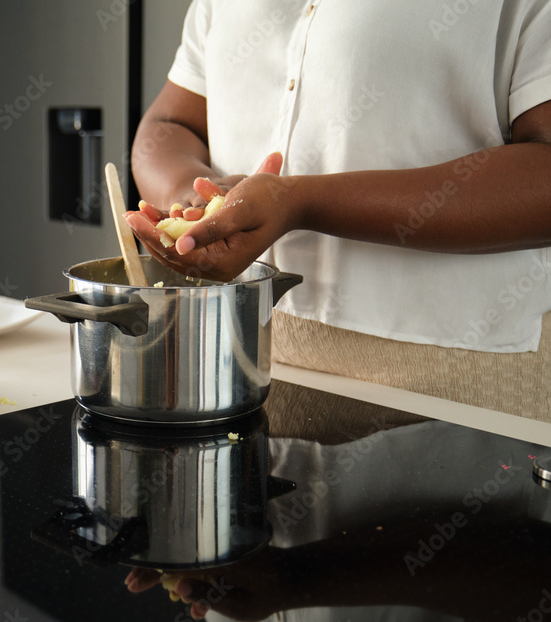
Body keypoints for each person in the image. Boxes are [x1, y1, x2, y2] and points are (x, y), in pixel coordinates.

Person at [125, 0, 551, 421]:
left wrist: (299, 201)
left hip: (460, 378)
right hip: (242, 361)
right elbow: (171, 124)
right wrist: (198, 198)